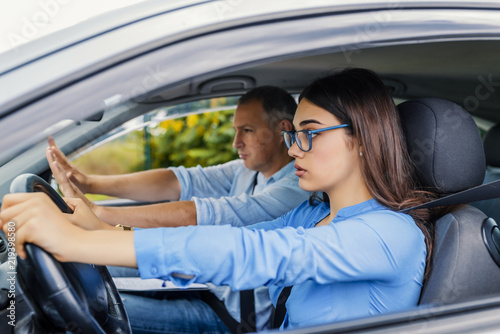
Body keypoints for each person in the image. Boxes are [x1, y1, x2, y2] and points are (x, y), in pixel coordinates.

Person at [1, 68, 438, 331]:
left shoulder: (388, 233)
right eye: (292, 135)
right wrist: (102, 229)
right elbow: (228, 236)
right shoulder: (314, 214)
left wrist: (77, 243)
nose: (293, 149)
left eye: (309, 134)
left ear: (361, 140)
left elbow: (248, 253)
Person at [47, 86, 310, 332]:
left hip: (235, 320)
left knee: (90, 310)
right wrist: (87, 181)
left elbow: (199, 214)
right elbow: (177, 181)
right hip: (207, 288)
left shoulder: (296, 190)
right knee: (88, 273)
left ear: (282, 129)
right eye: (236, 130)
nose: (236, 142)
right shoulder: (248, 171)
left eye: (247, 130)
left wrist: (100, 214)